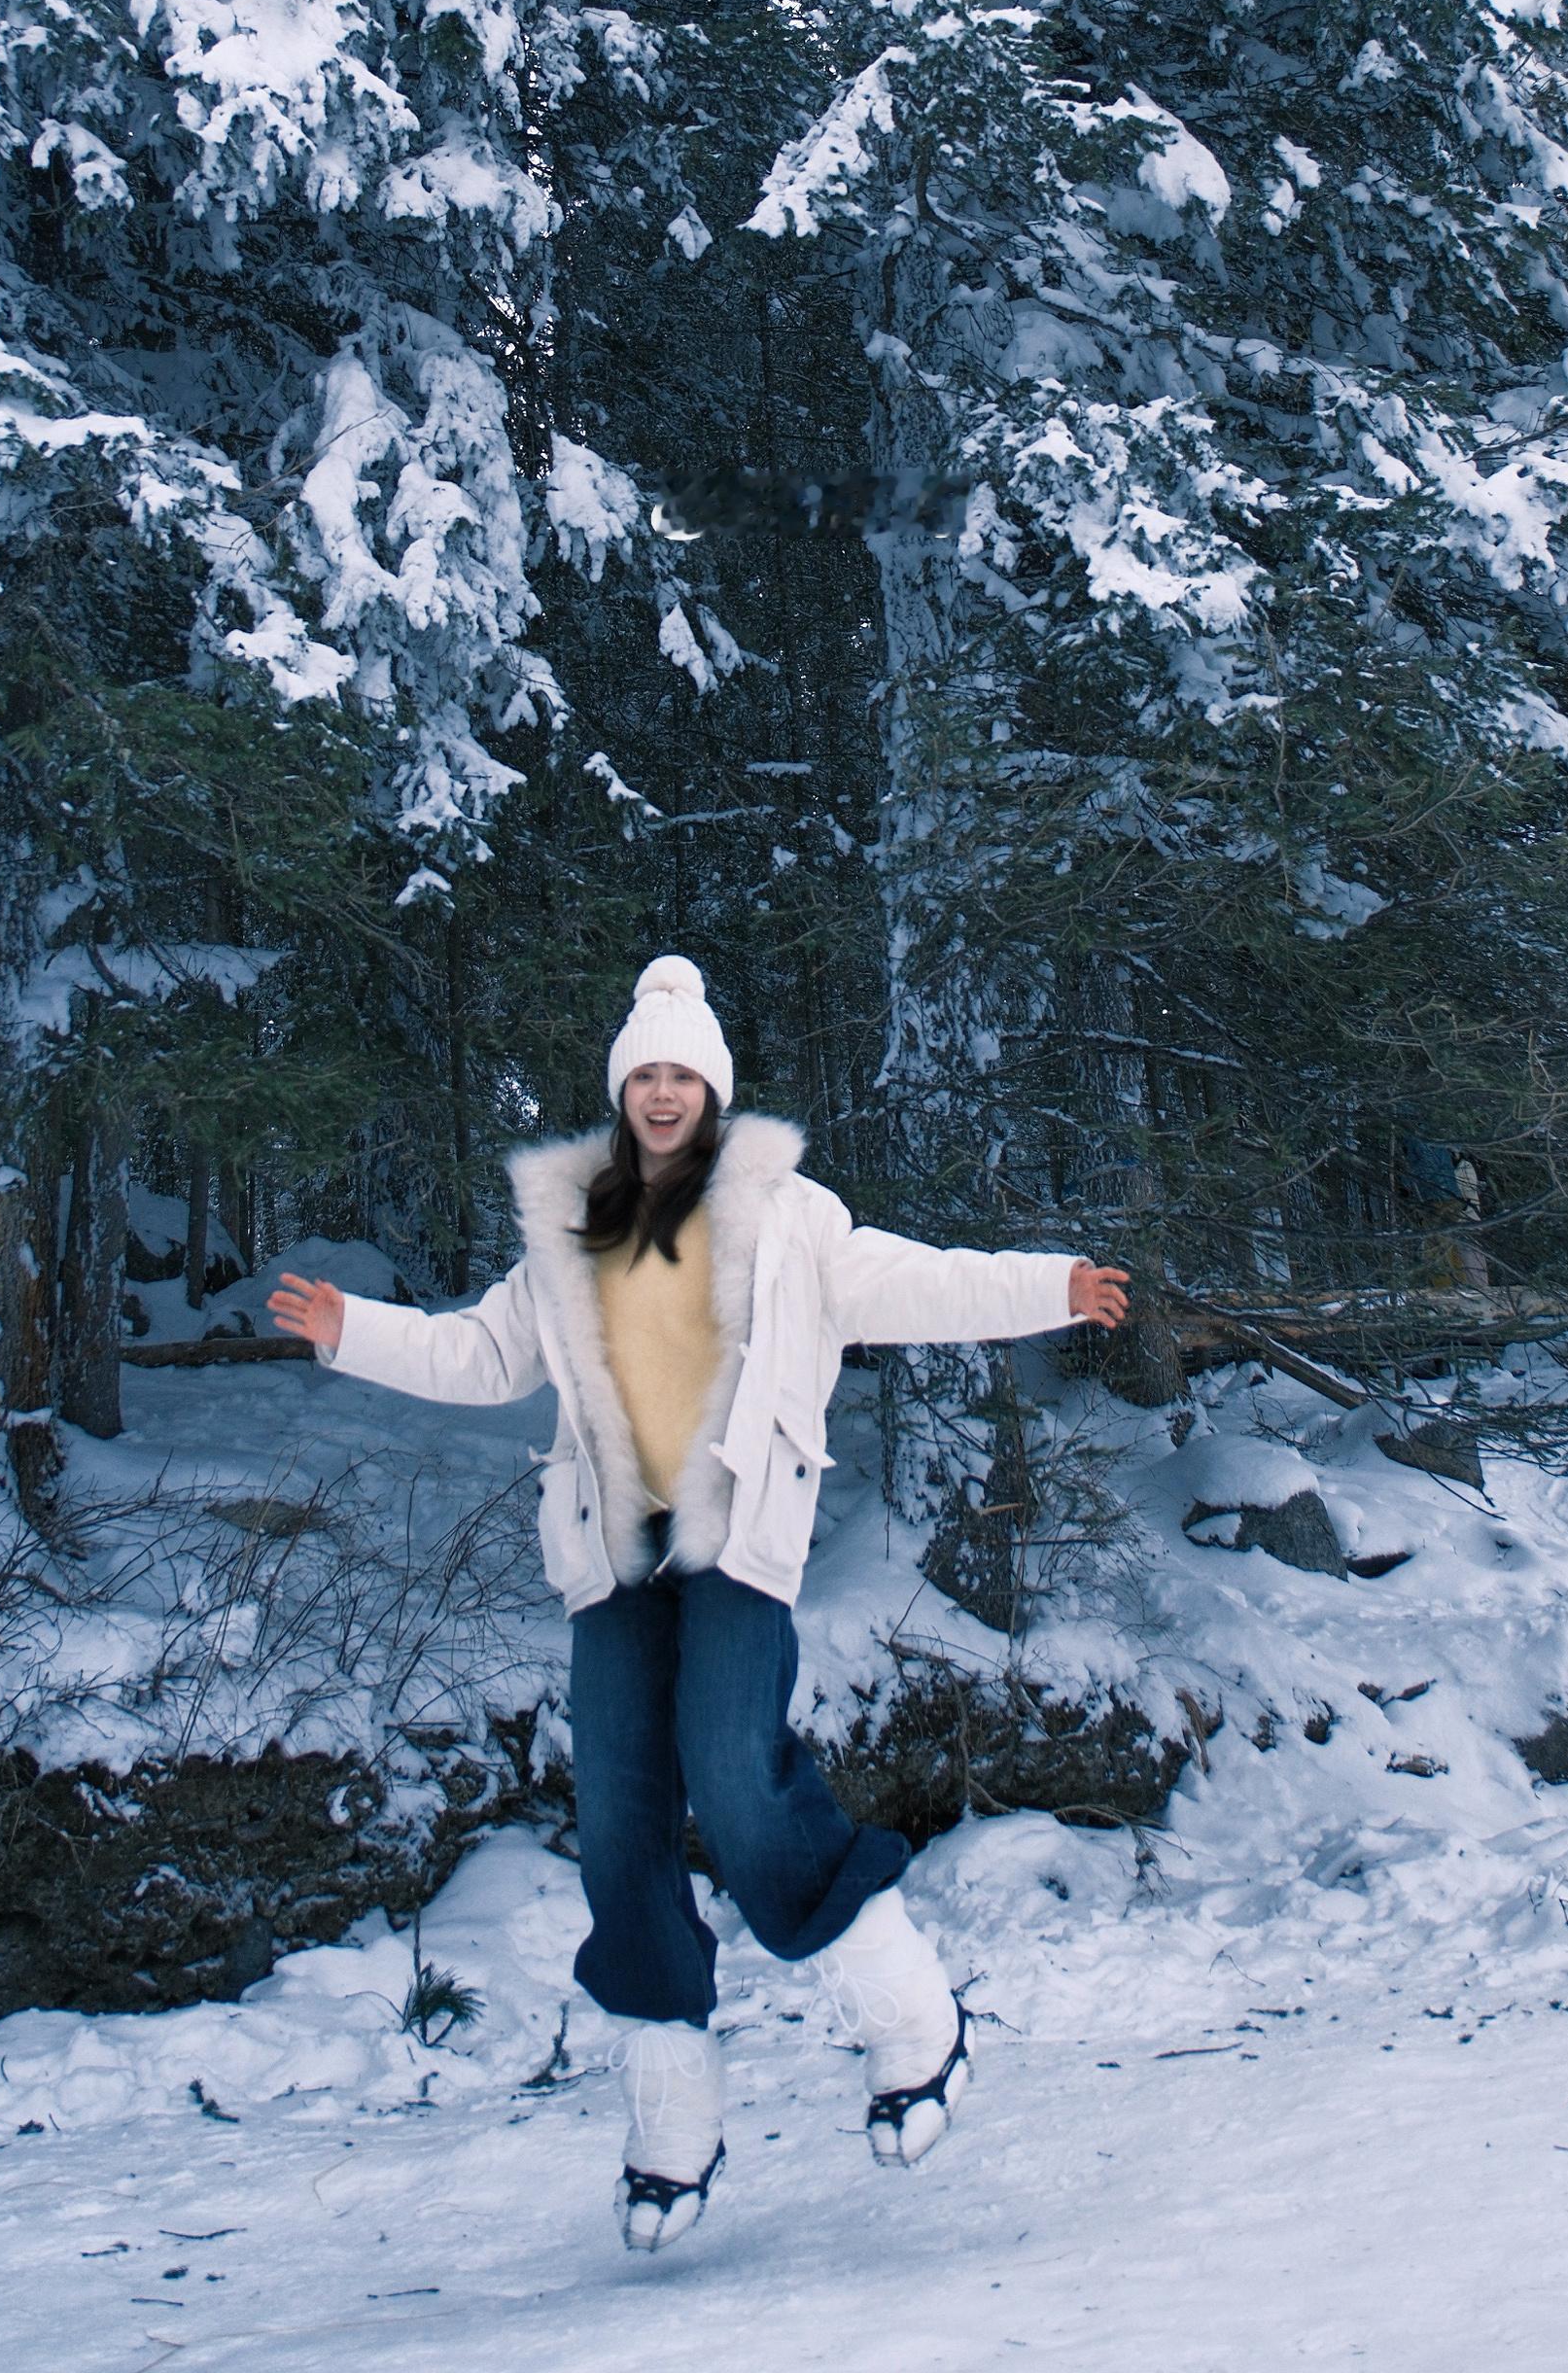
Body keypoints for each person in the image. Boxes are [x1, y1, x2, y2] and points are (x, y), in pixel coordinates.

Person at [269, 953, 1130, 2256]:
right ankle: (673, 2111)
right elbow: (487, 1354)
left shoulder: (792, 1221)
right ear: (623, 1094)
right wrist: (352, 1329)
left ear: (714, 1093)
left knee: (734, 1770)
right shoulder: (574, 1229)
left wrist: (1047, 1285)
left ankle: (908, 2017)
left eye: (685, 1076)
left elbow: (923, 1280)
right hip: (614, 1559)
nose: (665, 1096)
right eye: (646, 1077)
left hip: (736, 1546)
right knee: (617, 1818)